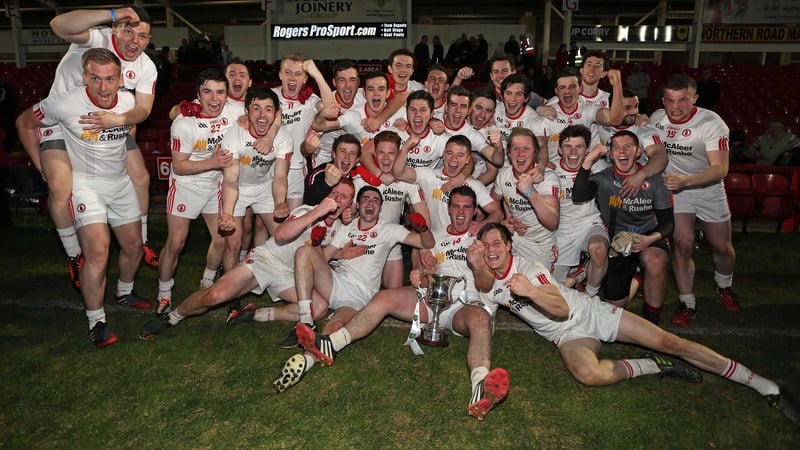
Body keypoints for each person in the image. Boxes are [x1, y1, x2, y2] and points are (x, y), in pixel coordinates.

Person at [471, 222, 800, 428]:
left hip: (589, 314)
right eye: (485, 247)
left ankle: (763, 384)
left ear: (509, 245)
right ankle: (653, 367)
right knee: (590, 375)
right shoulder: (487, 275)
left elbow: (557, 308)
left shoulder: (527, 269)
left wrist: (529, 291)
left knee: (672, 343)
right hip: (567, 337)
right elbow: (487, 287)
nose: (491, 251)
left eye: (497, 244)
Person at [277, 186, 510, 421]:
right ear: (448, 209)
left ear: (474, 211)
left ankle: (480, 386)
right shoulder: (434, 238)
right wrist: (419, 275)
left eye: (467, 207)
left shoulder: (481, 239)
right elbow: (420, 273)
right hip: (431, 301)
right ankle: (331, 344)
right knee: (383, 297)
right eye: (456, 206)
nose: (461, 213)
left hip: (464, 306)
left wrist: (479, 264)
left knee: (481, 318)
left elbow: (487, 284)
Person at [17, 6, 159, 290]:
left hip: (106, 122)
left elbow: (142, 109)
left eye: (142, 36)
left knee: (141, 177)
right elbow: (59, 24)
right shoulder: (97, 38)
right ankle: (73, 254)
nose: (134, 41)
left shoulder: (146, 66)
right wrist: (112, 13)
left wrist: (120, 120)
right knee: (59, 187)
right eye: (128, 31)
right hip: (63, 120)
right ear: (115, 28)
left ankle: (141, 241)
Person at [17, 48, 146, 347]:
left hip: (120, 183)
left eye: (109, 79)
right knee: (99, 251)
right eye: (96, 78)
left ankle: (124, 291)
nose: (103, 87)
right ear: (85, 77)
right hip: (86, 185)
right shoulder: (64, 103)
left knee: (134, 247)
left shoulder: (129, 101)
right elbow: (25, 123)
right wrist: (41, 166)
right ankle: (96, 321)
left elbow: (132, 126)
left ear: (120, 79)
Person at [138, 181, 356, 339]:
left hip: (291, 275)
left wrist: (339, 253)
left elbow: (322, 257)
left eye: (343, 197)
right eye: (334, 193)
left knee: (318, 308)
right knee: (215, 295)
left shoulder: (341, 230)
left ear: (349, 206)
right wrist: (318, 211)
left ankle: (255, 314)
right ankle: (173, 317)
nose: (336, 199)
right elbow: (280, 235)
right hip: (267, 260)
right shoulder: (308, 210)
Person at [273, 185, 435, 353]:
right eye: (366, 199)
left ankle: (308, 358)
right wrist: (317, 246)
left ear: (380, 208)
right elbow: (324, 258)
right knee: (304, 251)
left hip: (360, 294)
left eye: (375, 200)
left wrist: (423, 230)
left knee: (336, 326)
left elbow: (427, 243)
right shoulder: (347, 228)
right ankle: (306, 321)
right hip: (335, 284)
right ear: (357, 205)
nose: (370, 203)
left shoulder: (389, 230)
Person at [650, 74, 739, 327]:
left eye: (682, 100)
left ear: (695, 99)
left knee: (721, 246)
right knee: (683, 242)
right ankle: (687, 302)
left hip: (708, 189)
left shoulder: (712, 123)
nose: (675, 107)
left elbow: (720, 169)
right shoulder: (657, 119)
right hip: (676, 191)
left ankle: (724, 284)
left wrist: (686, 181)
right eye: (669, 100)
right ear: (663, 100)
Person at [155, 68, 237, 315]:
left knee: (221, 238)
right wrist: (213, 162)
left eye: (220, 92)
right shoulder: (184, 121)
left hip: (215, 185)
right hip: (186, 186)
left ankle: (207, 282)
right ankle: (164, 292)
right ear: (197, 95)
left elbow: (270, 113)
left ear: (227, 94)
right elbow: (179, 166)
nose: (214, 99)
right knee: (176, 243)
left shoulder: (234, 112)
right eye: (207, 92)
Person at [572, 130, 674, 324]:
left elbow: (669, 223)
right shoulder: (602, 178)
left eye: (628, 147)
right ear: (610, 154)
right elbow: (578, 196)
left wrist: (650, 239)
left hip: (647, 237)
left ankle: (651, 321)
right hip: (616, 245)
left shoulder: (655, 180)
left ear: (638, 152)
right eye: (616, 148)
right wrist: (588, 161)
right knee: (614, 309)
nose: (622, 151)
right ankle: (637, 276)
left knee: (655, 260)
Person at [217, 87, 291, 273]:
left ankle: (274, 279)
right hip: (238, 189)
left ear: (276, 113)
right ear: (246, 112)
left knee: (282, 237)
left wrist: (280, 203)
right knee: (233, 244)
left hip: (264, 187)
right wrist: (227, 213)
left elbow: (280, 176)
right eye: (256, 108)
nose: (262, 115)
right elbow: (231, 180)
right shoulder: (234, 136)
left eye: (268, 109)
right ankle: (232, 295)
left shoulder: (283, 137)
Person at [393, 134, 503, 233]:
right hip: (434, 244)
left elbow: (498, 213)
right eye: (449, 153)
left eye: (460, 155)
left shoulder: (474, 185)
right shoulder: (428, 175)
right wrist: (406, 147)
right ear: (443, 155)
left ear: (468, 159)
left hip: (461, 247)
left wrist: (481, 225)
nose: (453, 159)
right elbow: (398, 173)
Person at [490, 127, 560, 271]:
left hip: (539, 245)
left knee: (539, 291)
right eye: (515, 149)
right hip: (512, 241)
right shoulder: (504, 175)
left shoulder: (548, 178)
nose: (521, 153)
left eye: (526, 149)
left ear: (535, 153)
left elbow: (553, 222)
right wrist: (504, 221)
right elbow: (493, 202)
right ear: (508, 153)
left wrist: (530, 192)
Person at [271, 53, 334, 210]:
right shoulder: (270, 96)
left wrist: (316, 74)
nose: (292, 78)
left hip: (296, 168)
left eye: (298, 74)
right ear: (280, 75)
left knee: (293, 217)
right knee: (261, 223)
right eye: (287, 72)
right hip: (269, 166)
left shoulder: (308, 100)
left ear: (305, 79)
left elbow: (330, 108)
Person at [551, 125, 609, 296]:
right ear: (560, 150)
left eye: (579, 146)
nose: (573, 152)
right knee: (558, 291)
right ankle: (580, 272)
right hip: (560, 231)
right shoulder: (549, 171)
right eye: (568, 146)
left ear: (588, 150)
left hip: (588, 224)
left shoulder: (599, 168)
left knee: (599, 249)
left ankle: (591, 296)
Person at [539, 67, 624, 166]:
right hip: (555, 171)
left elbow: (616, 119)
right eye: (562, 87)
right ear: (556, 91)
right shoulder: (547, 113)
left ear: (580, 89)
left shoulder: (589, 109)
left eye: (572, 86)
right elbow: (538, 147)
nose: (567, 91)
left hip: (583, 170)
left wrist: (617, 84)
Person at [303, 133, 361, 206]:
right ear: (333, 154)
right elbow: (307, 201)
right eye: (343, 151)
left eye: (352, 153)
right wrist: (327, 183)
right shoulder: (319, 174)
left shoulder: (355, 180)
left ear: (357, 160)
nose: (347, 157)